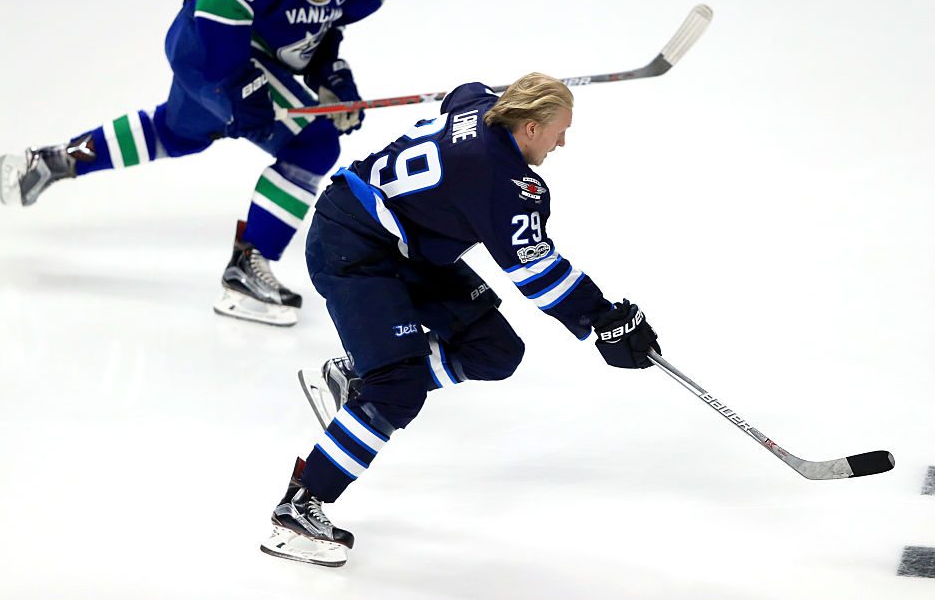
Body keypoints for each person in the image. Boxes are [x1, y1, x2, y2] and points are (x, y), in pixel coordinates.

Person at [260, 73, 661, 567]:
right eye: (559, 130)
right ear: (530, 128)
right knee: (397, 391)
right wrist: (605, 319)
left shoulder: (485, 105)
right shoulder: (503, 182)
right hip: (352, 243)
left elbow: (465, 89)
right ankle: (300, 507)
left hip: (409, 244)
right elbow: (536, 271)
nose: (563, 142)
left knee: (495, 350)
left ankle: (354, 378)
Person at [0, 0, 417, 327]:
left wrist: (333, 81)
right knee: (313, 144)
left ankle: (56, 160)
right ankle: (246, 271)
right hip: (207, 46)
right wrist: (243, 86)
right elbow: (221, 7)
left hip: (237, 59)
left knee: (175, 132)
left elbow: (321, 35)